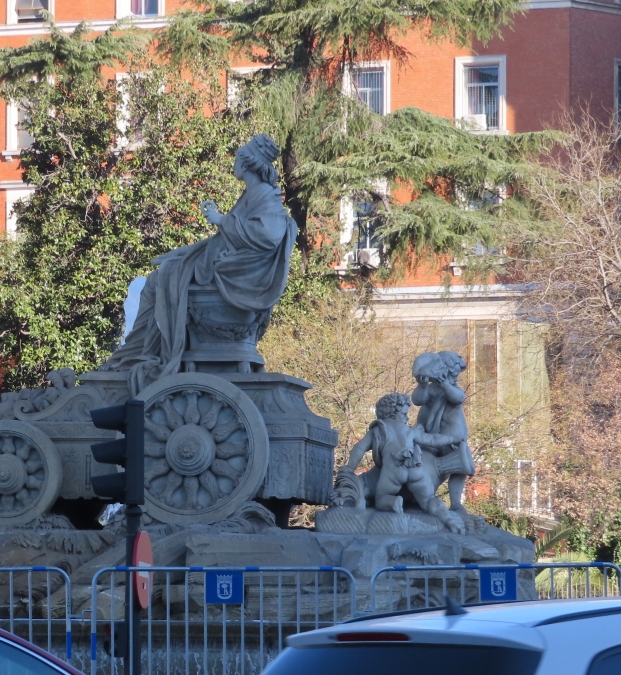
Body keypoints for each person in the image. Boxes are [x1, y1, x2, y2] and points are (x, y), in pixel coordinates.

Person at [102, 134, 297, 392]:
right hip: (221, 265)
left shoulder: (262, 194)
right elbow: (223, 240)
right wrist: (181, 252)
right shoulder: (255, 193)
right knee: (163, 274)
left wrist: (221, 220)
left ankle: (137, 352)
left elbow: (269, 234)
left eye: (237, 158)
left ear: (247, 162)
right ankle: (137, 351)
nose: (234, 163)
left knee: (161, 279)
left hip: (230, 273)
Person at [337, 393, 464, 534]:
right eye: (404, 414)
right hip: (415, 466)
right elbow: (433, 440)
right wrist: (452, 438)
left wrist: (350, 467)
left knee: (381, 499)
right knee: (429, 499)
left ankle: (394, 502)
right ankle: (448, 519)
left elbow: (359, 448)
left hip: (394, 468)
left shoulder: (379, 430)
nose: (407, 418)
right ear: (392, 414)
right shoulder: (409, 430)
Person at [410, 351, 474, 512]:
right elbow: (417, 400)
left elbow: (458, 398)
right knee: (424, 465)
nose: (456, 378)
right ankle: (422, 497)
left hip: (451, 436)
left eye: (456, 375)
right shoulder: (431, 389)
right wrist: (422, 385)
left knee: (460, 466)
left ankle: (456, 502)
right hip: (429, 433)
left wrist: (446, 385)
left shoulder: (453, 389)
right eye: (453, 374)